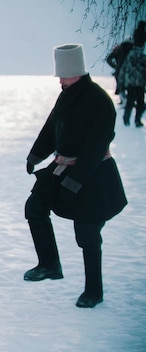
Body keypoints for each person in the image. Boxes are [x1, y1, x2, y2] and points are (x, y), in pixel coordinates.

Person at [23, 44, 127, 308]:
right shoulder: (67, 95)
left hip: (95, 177)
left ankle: (94, 291)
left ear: (76, 72)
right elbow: (51, 127)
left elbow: (94, 149)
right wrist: (35, 155)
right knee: (34, 207)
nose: (59, 79)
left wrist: (74, 181)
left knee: (88, 232)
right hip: (63, 169)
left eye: (63, 75)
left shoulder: (100, 102)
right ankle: (49, 264)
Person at [118, 35, 146, 127]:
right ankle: (134, 120)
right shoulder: (139, 55)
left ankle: (129, 119)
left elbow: (123, 70)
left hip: (134, 83)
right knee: (137, 103)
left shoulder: (133, 55)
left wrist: (121, 85)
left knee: (135, 102)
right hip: (136, 83)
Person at [105, 39, 133, 104]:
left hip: (119, 71)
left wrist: (115, 66)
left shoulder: (119, 49)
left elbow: (109, 59)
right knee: (130, 87)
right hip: (130, 71)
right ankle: (130, 101)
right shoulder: (133, 49)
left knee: (120, 87)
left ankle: (124, 101)